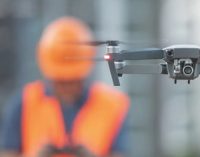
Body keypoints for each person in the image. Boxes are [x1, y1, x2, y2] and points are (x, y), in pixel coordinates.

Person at [0, 17, 130, 157]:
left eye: (73, 80)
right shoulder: (24, 103)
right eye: (60, 81)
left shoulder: (112, 105)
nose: (67, 87)